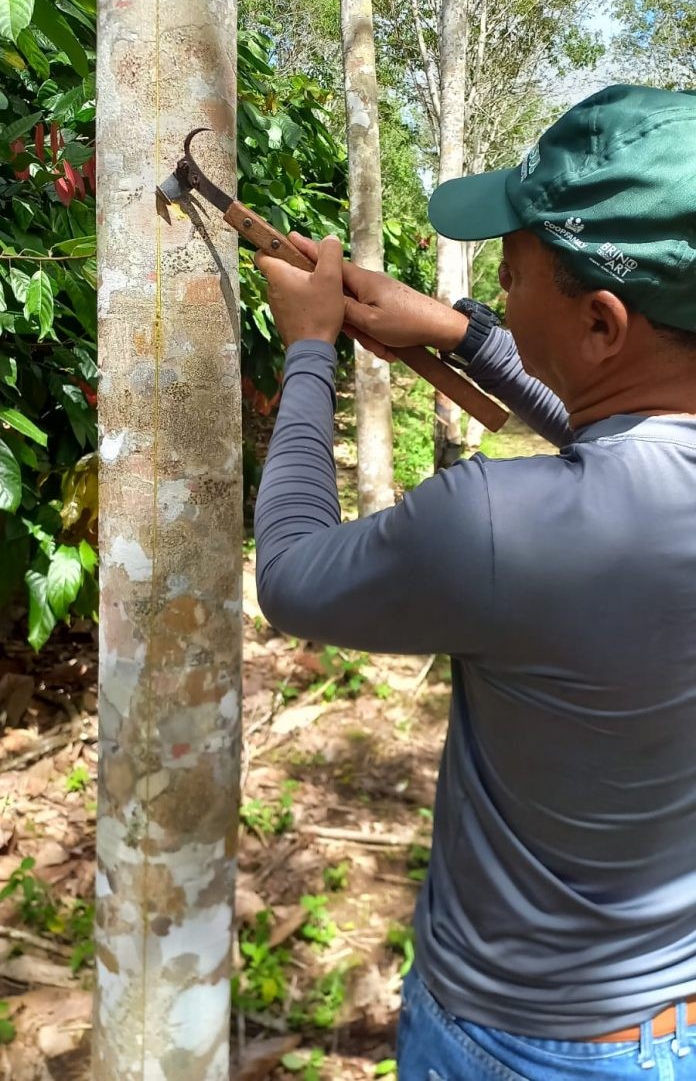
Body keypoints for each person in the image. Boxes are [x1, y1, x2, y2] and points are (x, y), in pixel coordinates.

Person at [253, 83, 696, 1079]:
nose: (497, 286)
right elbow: (623, 433)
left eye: (513, 273)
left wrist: (311, 352)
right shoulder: (608, 494)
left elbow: (287, 573)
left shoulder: (498, 524)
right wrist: (465, 337)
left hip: (509, 1041)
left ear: (601, 324)